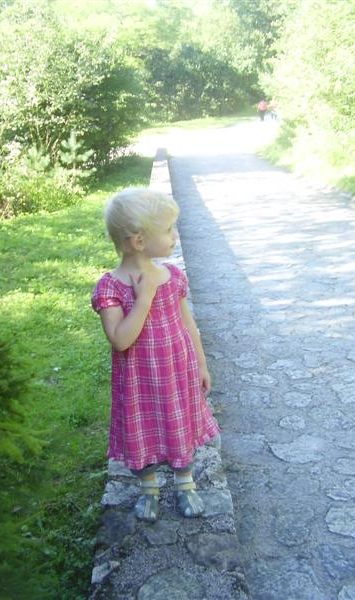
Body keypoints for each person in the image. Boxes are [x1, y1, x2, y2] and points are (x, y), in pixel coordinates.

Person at [91, 188, 220, 523]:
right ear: (139, 241)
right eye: (168, 230)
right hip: (139, 383)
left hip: (177, 374)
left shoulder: (172, 277)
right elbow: (121, 340)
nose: (175, 235)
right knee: (142, 430)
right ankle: (148, 489)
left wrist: (202, 365)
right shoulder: (111, 287)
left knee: (180, 425)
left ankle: (185, 483)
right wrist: (144, 298)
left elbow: (188, 325)